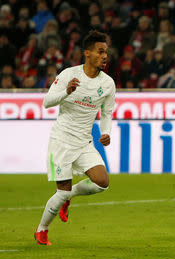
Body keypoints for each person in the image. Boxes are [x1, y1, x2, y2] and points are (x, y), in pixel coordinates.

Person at [34, 30, 116, 245]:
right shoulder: (69, 74)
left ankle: (68, 197)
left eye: (106, 52)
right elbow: (47, 102)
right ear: (86, 53)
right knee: (62, 190)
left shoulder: (107, 83)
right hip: (62, 141)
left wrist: (106, 132)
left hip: (84, 142)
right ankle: (42, 230)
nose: (104, 56)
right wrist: (66, 93)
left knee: (102, 182)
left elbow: (107, 113)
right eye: (100, 52)